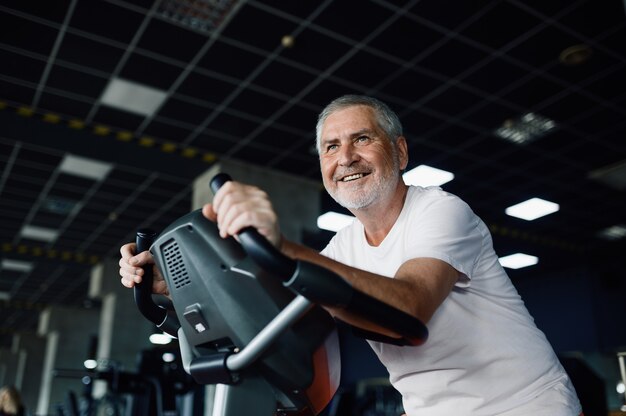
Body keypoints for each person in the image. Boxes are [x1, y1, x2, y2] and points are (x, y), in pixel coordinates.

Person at [120, 95, 582, 415]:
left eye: (362, 139)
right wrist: (172, 290)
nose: (346, 158)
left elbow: (410, 306)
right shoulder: (343, 247)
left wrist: (280, 245)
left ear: (399, 151)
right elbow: (273, 317)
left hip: (525, 406)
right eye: (331, 147)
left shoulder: (441, 210)